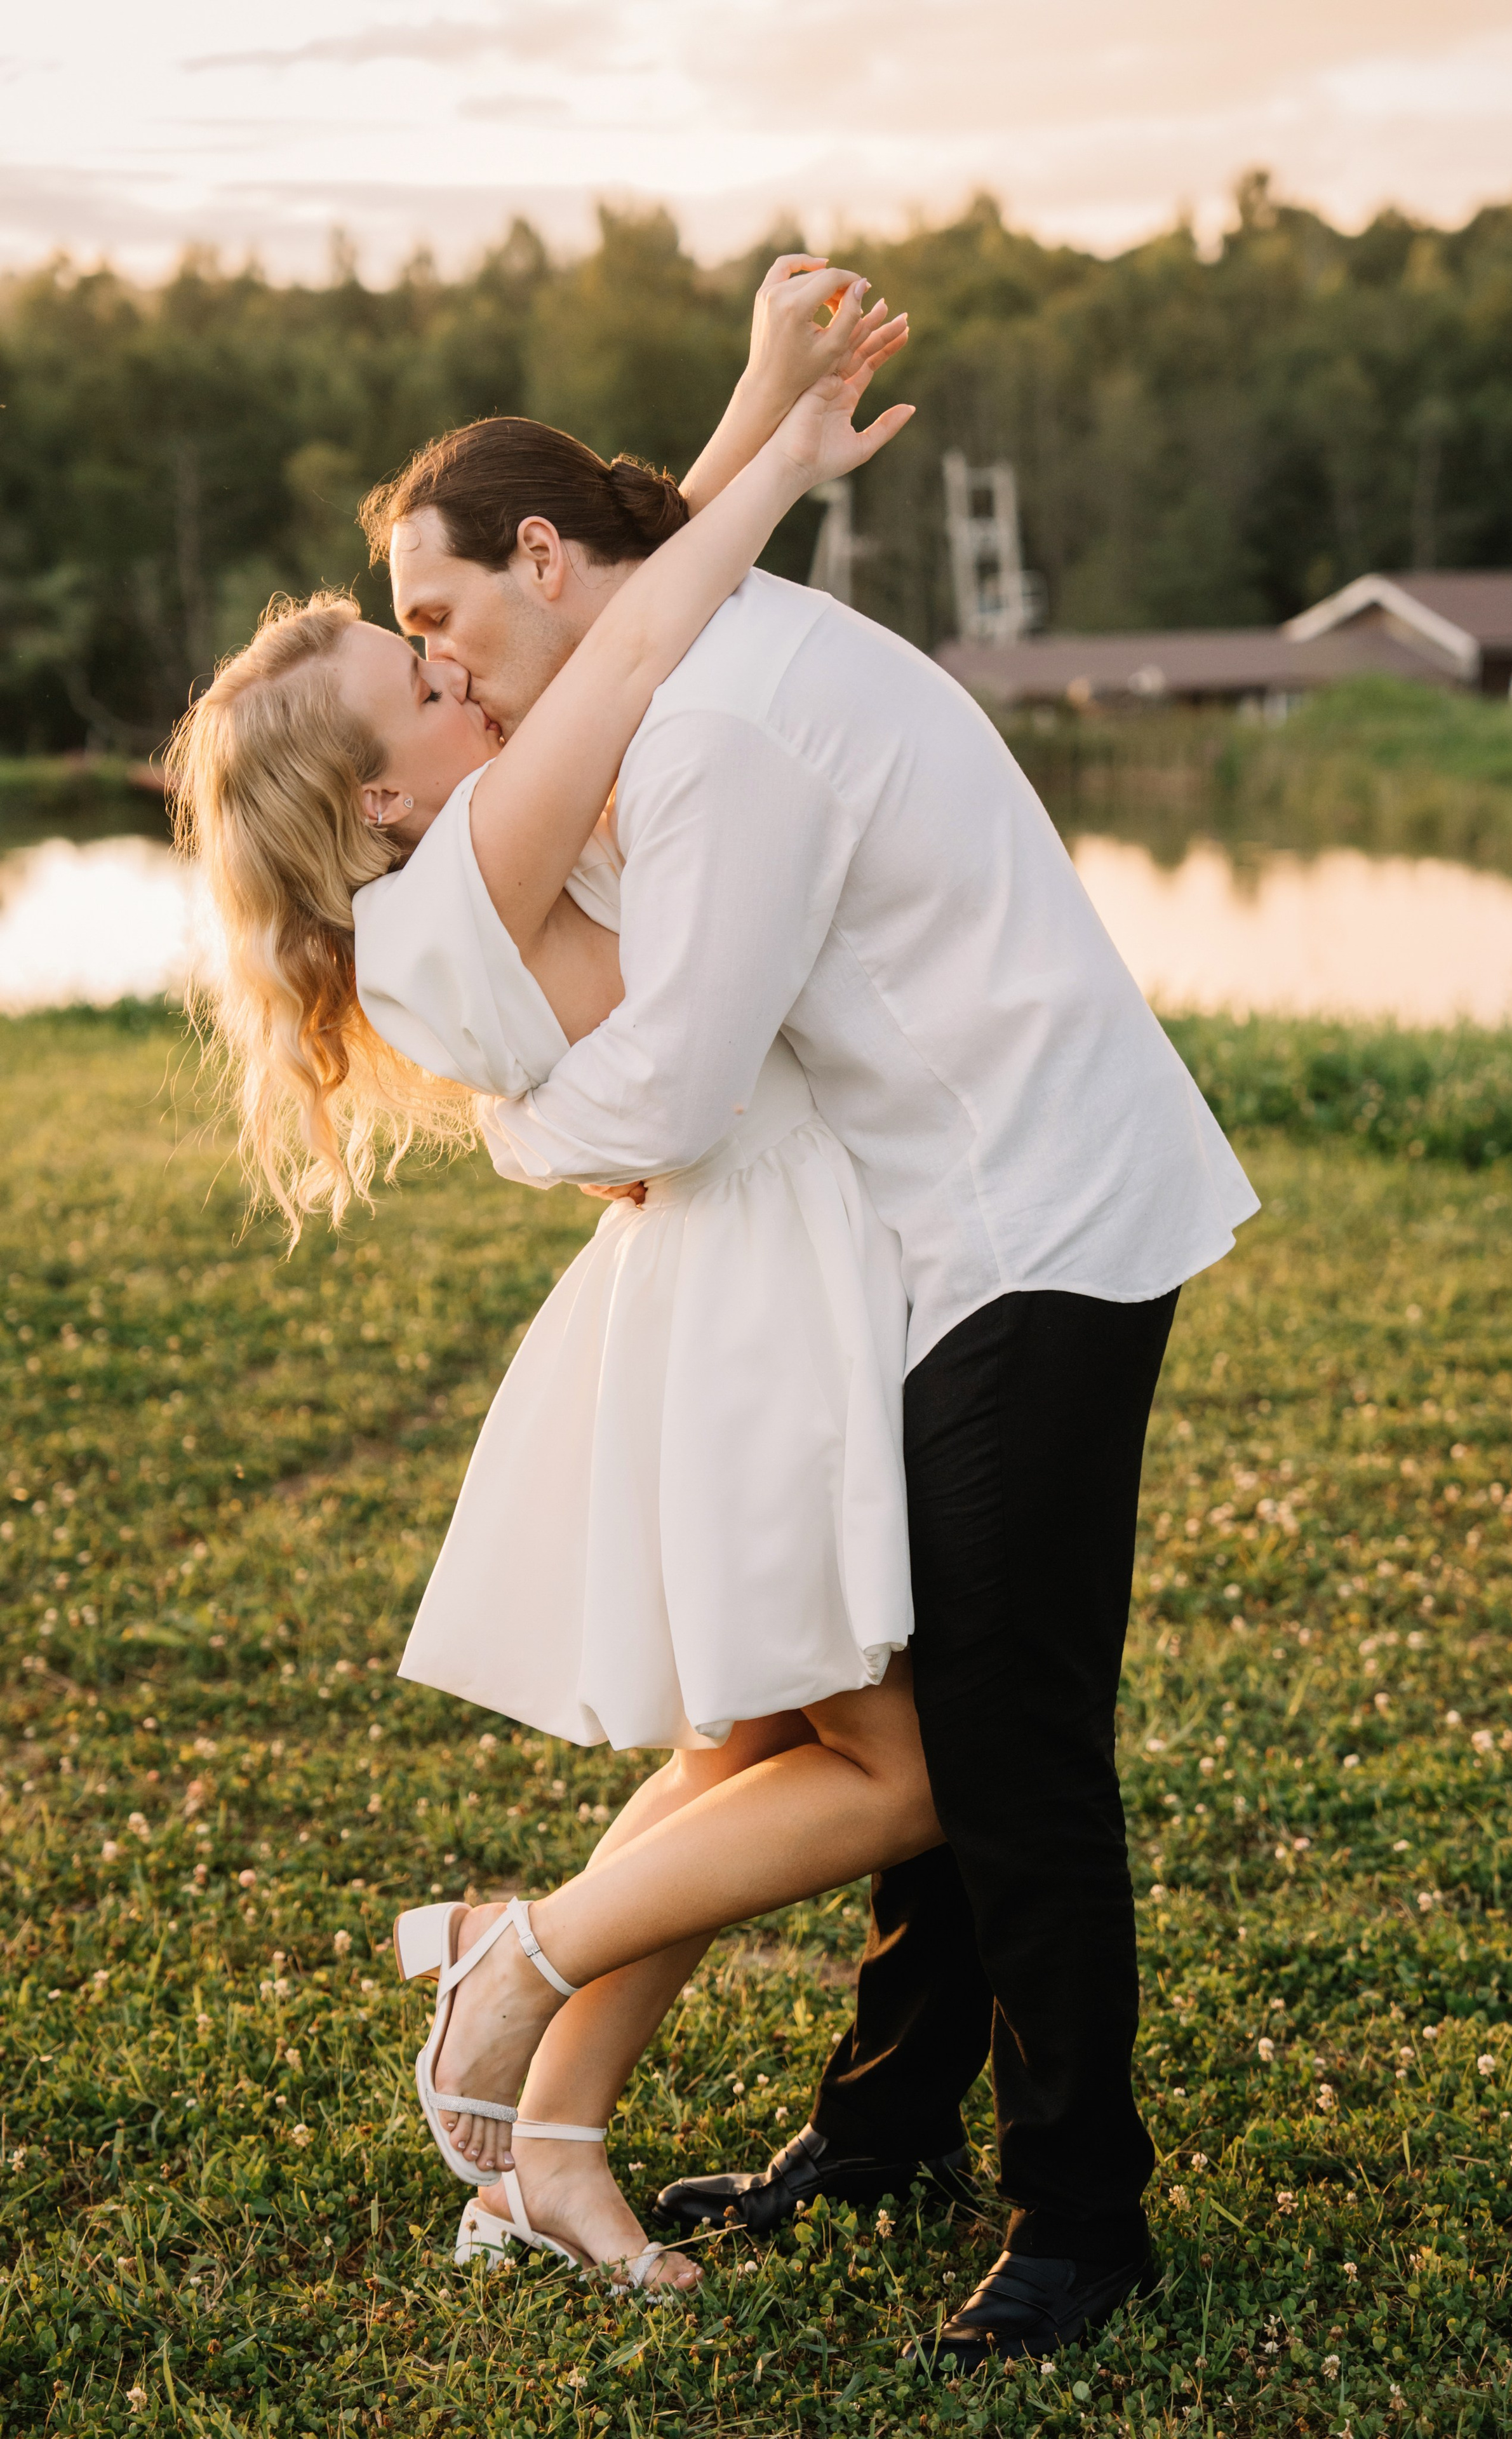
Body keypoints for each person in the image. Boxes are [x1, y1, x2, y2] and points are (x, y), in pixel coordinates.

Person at [359, 375, 1259, 2362]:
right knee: (936, 1696)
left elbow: (671, 1088)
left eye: (435, 625)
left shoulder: (722, 730)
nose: (438, 664)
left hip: (1032, 1224)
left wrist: (503, 1123)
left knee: (1006, 1746)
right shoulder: (691, 656)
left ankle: (1080, 2225)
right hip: (942, 1229)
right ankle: (880, 2140)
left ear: (538, 561)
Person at [172, 261, 943, 2295]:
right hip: (751, 1283)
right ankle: (514, 1968)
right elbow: (628, 618)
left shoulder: (448, 851)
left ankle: (544, 2141)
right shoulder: (476, 847)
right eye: (418, 676)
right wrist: (769, 439)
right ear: (380, 796)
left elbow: (578, 600)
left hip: (736, 1273)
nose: (466, 670)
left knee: (751, 1751)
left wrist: (764, 416)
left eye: (440, 641)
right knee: (896, 1769)